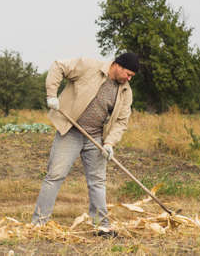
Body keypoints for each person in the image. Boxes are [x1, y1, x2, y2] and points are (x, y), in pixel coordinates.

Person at [31, 53, 139, 238]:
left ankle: (102, 226)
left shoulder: (125, 91)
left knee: (97, 181)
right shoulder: (89, 66)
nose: (128, 79)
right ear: (117, 65)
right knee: (55, 175)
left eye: (131, 77)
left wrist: (110, 143)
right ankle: (39, 224)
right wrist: (52, 95)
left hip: (96, 138)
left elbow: (121, 121)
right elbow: (58, 66)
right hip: (71, 132)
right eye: (128, 74)